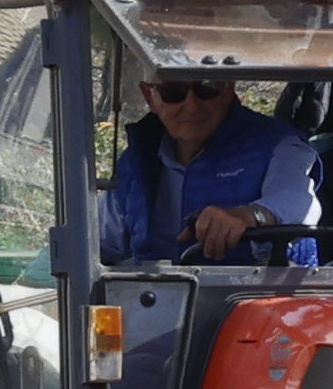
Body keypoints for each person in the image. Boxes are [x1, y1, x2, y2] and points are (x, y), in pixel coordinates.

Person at [93, 70, 319, 268]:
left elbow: (298, 202)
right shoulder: (136, 160)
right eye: (173, 92)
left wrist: (250, 216)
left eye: (207, 88)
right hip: (157, 303)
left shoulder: (279, 143)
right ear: (149, 97)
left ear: (228, 88)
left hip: (264, 302)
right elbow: (104, 242)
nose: (191, 107)